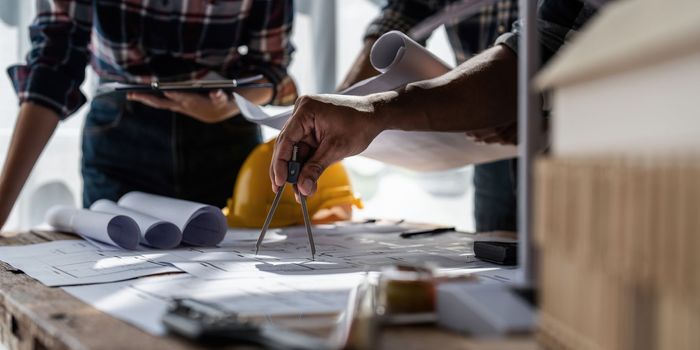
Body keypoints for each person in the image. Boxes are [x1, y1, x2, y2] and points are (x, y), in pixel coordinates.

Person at [0, 0, 296, 230]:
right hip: (119, 135)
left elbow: (270, 68)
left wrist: (231, 104)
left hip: (225, 131)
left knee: (233, 270)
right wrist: (3, 205)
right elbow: (53, 66)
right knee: (112, 270)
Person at [270, 0, 601, 201]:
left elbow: (542, 47)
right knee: (490, 278)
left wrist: (373, 110)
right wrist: (344, 100)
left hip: (586, 144)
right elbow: (401, 15)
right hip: (488, 148)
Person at [339, 0, 519, 233]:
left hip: (565, 129)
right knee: (495, 254)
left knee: (566, 255)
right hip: (489, 143)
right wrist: (344, 98)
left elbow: (551, 33)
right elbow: (403, 12)